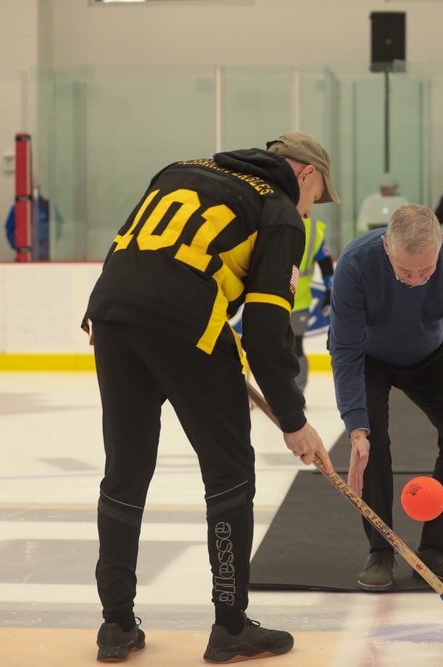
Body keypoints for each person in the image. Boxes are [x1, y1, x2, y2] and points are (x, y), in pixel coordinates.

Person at [81, 131, 337, 663]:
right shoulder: (282, 209)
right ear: (306, 173)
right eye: (317, 197)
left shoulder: (181, 168)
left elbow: (136, 248)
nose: (311, 211)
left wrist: (212, 371)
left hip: (110, 312)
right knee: (230, 473)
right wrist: (294, 419)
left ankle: (115, 625)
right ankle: (231, 626)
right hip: (184, 323)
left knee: (125, 470)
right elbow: (269, 334)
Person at [329, 204, 443, 592]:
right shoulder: (355, 265)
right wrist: (355, 428)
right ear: (387, 247)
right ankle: (381, 550)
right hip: (369, 356)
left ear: (441, 247)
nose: (417, 280)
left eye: (426, 270)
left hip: (429, 355)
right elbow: (346, 352)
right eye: (406, 271)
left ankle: (435, 548)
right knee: (372, 443)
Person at [292, 217, 333, 391]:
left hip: (298, 304)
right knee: (277, 350)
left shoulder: (313, 230)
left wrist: (330, 292)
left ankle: (297, 392)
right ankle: (279, 393)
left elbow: (325, 265)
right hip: (272, 301)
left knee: (295, 347)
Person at [5, 184, 60, 261]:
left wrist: (49, 243)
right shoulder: (16, 208)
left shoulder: (47, 206)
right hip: (24, 257)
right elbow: (9, 231)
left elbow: (59, 226)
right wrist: (18, 246)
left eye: (35, 187)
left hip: (45, 256)